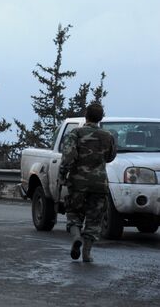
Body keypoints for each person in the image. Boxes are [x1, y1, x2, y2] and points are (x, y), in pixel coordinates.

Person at [59, 103, 116, 262]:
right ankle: (87, 254)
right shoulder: (108, 136)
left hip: (78, 183)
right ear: (101, 117)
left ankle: (76, 237)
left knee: (74, 213)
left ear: (86, 115)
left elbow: (68, 157)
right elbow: (111, 157)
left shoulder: (75, 134)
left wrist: (62, 175)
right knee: (94, 218)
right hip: (99, 184)